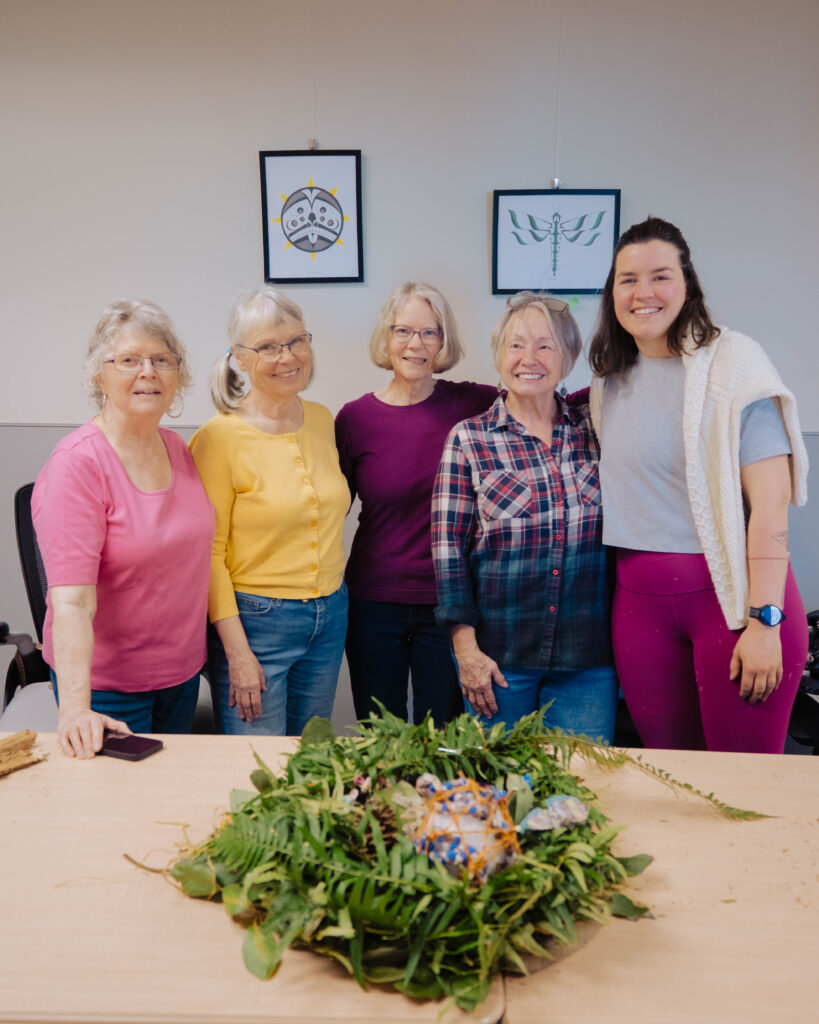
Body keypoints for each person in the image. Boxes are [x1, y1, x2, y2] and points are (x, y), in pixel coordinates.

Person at [588, 216, 809, 753]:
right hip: (639, 609)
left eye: (660, 276)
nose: (643, 293)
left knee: (743, 784)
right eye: (628, 279)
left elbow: (771, 506)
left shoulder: (735, 366)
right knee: (673, 781)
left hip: (733, 607)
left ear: (687, 284)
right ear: (612, 292)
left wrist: (765, 623)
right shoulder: (607, 380)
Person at [32, 300, 214, 759]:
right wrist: (76, 708)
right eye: (129, 360)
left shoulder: (177, 448)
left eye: (161, 359)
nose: (148, 372)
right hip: (107, 688)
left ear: (177, 374)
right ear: (100, 376)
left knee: (170, 794)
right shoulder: (77, 464)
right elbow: (71, 600)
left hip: (180, 675)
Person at [431, 292, 617, 741]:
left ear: (568, 358)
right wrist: (466, 651)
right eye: (515, 345)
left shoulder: (597, 430)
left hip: (588, 660)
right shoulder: (469, 439)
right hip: (498, 660)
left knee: (581, 781)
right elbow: (448, 553)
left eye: (545, 345)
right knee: (497, 779)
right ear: (499, 355)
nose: (528, 358)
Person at [190, 286, 349, 735]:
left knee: (311, 754)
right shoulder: (217, 438)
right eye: (268, 347)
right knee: (255, 762)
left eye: (297, 340)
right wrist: (237, 653)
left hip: (330, 614)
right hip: (256, 623)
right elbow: (209, 555)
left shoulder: (322, 419)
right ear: (239, 358)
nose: (287, 356)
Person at [335, 282, 495, 726]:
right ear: (386, 337)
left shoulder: (473, 403)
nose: (415, 344)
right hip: (372, 601)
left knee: (443, 733)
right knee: (379, 732)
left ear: (444, 341)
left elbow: (535, 399)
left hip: (449, 604)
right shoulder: (355, 419)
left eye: (429, 332)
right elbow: (329, 510)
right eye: (403, 330)